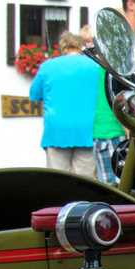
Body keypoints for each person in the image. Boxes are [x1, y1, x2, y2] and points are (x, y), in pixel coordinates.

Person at [29, 30, 101, 177]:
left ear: (63, 47)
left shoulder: (48, 66)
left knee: (58, 181)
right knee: (84, 181)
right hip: (88, 130)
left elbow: (34, 95)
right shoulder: (96, 66)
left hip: (57, 131)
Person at [81, 24, 124, 185]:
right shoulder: (108, 60)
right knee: (117, 188)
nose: (88, 46)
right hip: (109, 129)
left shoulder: (96, 63)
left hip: (103, 130)